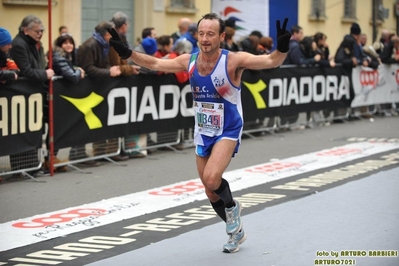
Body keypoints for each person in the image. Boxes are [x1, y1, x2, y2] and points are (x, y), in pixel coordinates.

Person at [108, 12, 291, 253]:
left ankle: (233, 208)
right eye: (201, 33)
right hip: (204, 129)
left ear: (222, 36)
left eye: (210, 34)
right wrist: (127, 53)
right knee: (209, 189)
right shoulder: (189, 60)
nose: (205, 39)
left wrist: (283, 47)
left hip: (229, 127)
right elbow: (155, 63)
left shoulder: (233, 61)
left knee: (213, 178)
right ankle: (236, 232)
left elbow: (271, 61)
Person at [10, 15, 55, 177]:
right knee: (22, 132)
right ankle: (21, 167)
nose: (40, 33)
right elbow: (27, 71)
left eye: (42, 31)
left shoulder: (35, 44)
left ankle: (32, 165)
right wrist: (45, 73)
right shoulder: (19, 45)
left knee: (35, 130)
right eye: (37, 31)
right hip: (23, 94)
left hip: (35, 94)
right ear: (25, 30)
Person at [77, 20, 127, 162]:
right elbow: (88, 68)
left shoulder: (103, 45)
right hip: (87, 88)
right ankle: (80, 154)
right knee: (83, 123)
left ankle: (98, 152)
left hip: (98, 87)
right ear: (106, 34)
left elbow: (103, 64)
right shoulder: (91, 45)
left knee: (99, 121)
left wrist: (111, 69)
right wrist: (108, 72)